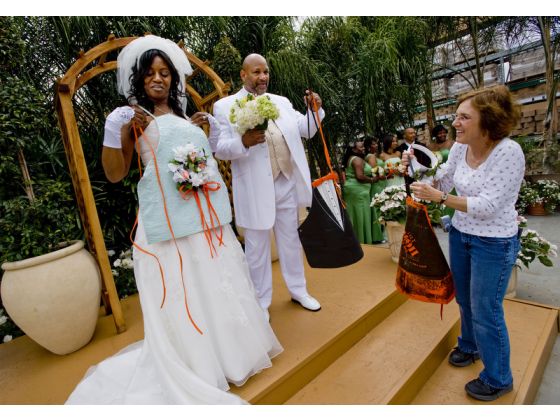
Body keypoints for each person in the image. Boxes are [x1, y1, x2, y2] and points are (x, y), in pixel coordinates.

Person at [66, 35, 282, 405]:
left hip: (203, 222)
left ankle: (226, 355)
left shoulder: (185, 115)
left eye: (165, 73)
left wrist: (207, 131)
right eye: (150, 73)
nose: (158, 79)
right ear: (140, 79)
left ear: (173, 79)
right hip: (167, 226)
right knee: (183, 293)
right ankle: (196, 363)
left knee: (214, 286)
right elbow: (115, 174)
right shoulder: (133, 117)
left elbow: (212, 159)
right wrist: (115, 133)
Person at [404, 85, 523, 401]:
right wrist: (420, 170)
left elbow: (488, 205)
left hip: (493, 243)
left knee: (486, 308)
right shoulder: (459, 147)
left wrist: (441, 198)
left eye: (464, 117)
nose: (455, 123)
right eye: (456, 116)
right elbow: (442, 180)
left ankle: (499, 378)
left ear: (488, 121)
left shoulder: (508, 152)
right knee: (466, 300)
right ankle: (470, 346)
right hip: (461, 234)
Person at [212, 53, 324, 316]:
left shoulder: (281, 102)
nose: (263, 77)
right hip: (253, 189)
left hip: (285, 182)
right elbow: (219, 149)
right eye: (256, 72)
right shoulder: (225, 106)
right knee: (257, 248)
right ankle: (260, 303)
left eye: (265, 72)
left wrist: (314, 110)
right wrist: (244, 142)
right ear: (243, 74)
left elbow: (305, 129)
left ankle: (299, 291)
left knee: (291, 241)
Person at [341, 140, 377, 244]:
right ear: (353, 149)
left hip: (353, 190)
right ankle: (362, 241)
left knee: (354, 215)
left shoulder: (351, 159)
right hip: (358, 191)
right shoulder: (357, 160)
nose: (364, 148)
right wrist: (372, 180)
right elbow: (360, 176)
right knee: (361, 215)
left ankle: (354, 240)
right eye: (361, 147)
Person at [364, 136, 386, 243]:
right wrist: (388, 174)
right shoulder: (371, 156)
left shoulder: (374, 156)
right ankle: (378, 236)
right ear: (368, 147)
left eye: (376, 143)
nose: (376, 145)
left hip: (380, 184)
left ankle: (379, 234)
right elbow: (375, 172)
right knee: (378, 209)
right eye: (373, 144)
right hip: (378, 184)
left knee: (379, 208)